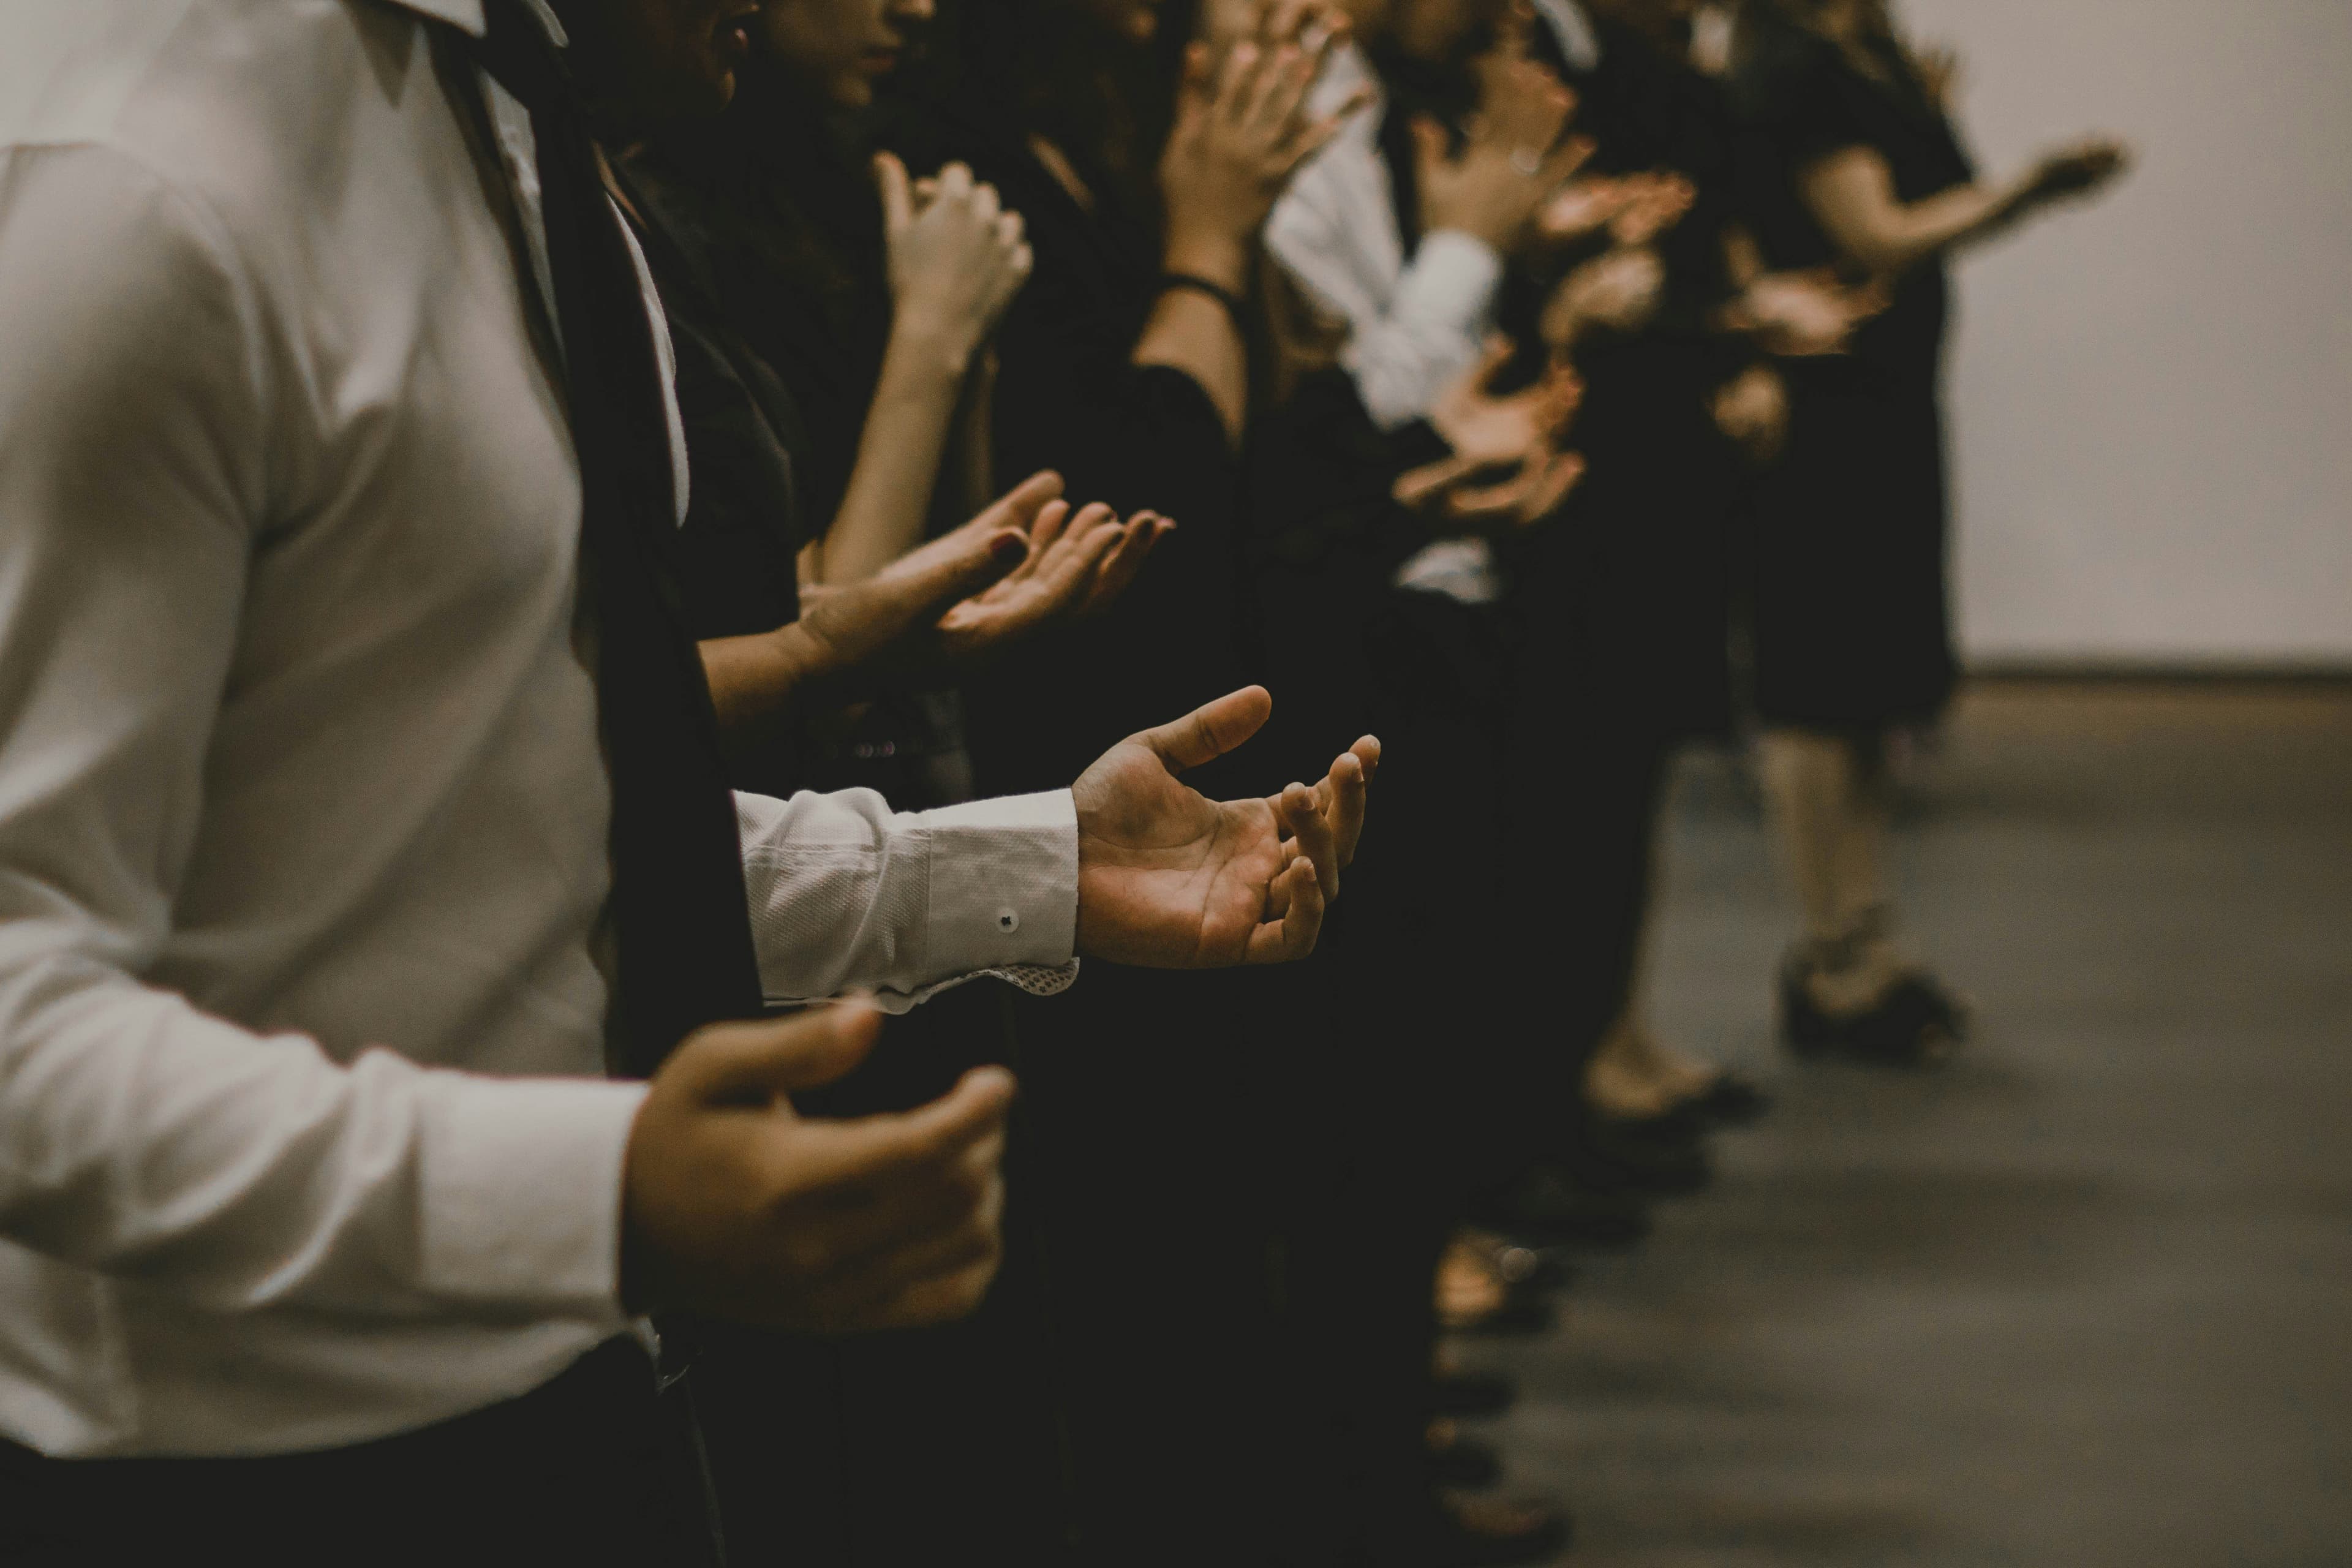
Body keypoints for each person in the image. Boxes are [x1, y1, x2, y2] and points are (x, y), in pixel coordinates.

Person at [0, 4, 1377, 1564]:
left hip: (578, 1387)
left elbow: (492, 844)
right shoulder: (136, 181)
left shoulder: (504, 138)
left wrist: (1018, 866)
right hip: (245, 1475)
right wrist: (590, 1184)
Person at [1727, 0, 2126, 1061]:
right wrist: (2032, 190)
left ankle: (1869, 942)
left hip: (1888, 402)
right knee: (1817, 692)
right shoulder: (1795, 64)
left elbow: (1925, 209)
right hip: (1825, 410)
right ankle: (1831, 954)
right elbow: (1878, 236)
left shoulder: (1871, 55)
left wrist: (2003, 180)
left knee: (1867, 697)